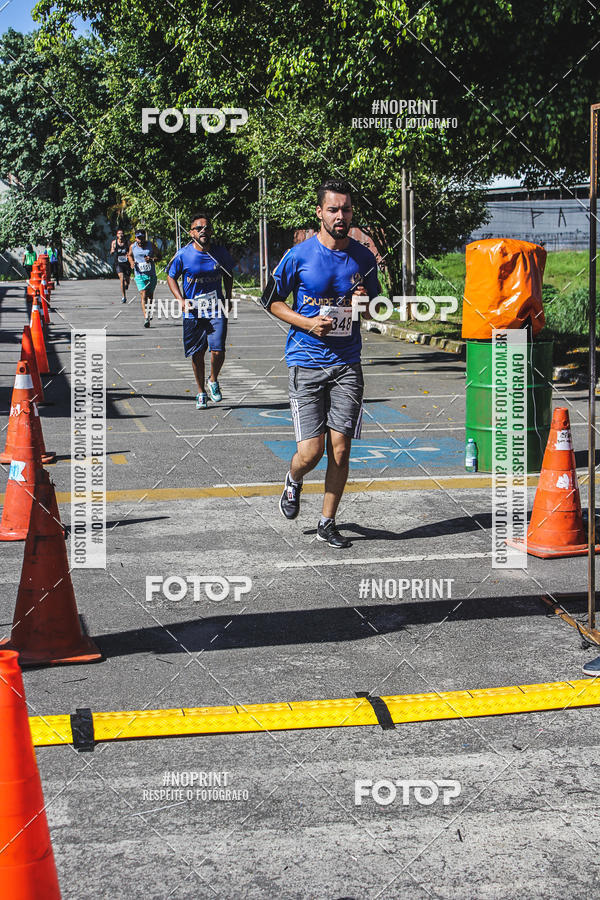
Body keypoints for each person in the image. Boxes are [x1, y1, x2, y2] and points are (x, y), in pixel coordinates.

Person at [261, 178, 380, 549]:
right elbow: (271, 301)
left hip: (347, 363)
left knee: (340, 449)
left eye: (346, 209)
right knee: (311, 453)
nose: (340, 216)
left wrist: (364, 303)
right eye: (333, 209)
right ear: (320, 213)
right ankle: (294, 479)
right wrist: (308, 322)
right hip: (306, 360)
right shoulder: (299, 256)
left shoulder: (363, 257)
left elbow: (373, 309)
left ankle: (327, 522)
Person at [166, 212, 234, 409]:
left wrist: (228, 297)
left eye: (206, 228)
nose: (203, 231)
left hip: (216, 308)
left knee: (218, 350)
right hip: (193, 311)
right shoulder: (183, 254)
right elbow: (171, 276)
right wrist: (181, 300)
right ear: (191, 233)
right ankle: (201, 392)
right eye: (198, 228)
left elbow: (229, 274)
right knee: (197, 353)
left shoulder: (220, 253)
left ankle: (213, 380)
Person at [128, 229, 161, 327]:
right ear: (135, 238)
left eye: (142, 238)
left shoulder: (151, 245)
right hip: (139, 275)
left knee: (150, 296)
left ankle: (149, 312)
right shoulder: (132, 246)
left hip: (151, 275)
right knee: (143, 294)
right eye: (138, 238)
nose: (140, 240)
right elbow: (129, 255)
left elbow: (159, 256)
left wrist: (151, 259)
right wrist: (131, 262)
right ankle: (146, 317)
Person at [110, 228, 131, 302]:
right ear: (117, 235)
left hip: (127, 264)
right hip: (119, 263)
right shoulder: (114, 242)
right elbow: (111, 251)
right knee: (122, 279)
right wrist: (112, 251)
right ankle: (124, 297)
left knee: (127, 281)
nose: (120, 235)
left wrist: (129, 255)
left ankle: (126, 284)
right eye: (119, 233)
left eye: (122, 233)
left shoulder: (127, 242)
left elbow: (131, 252)